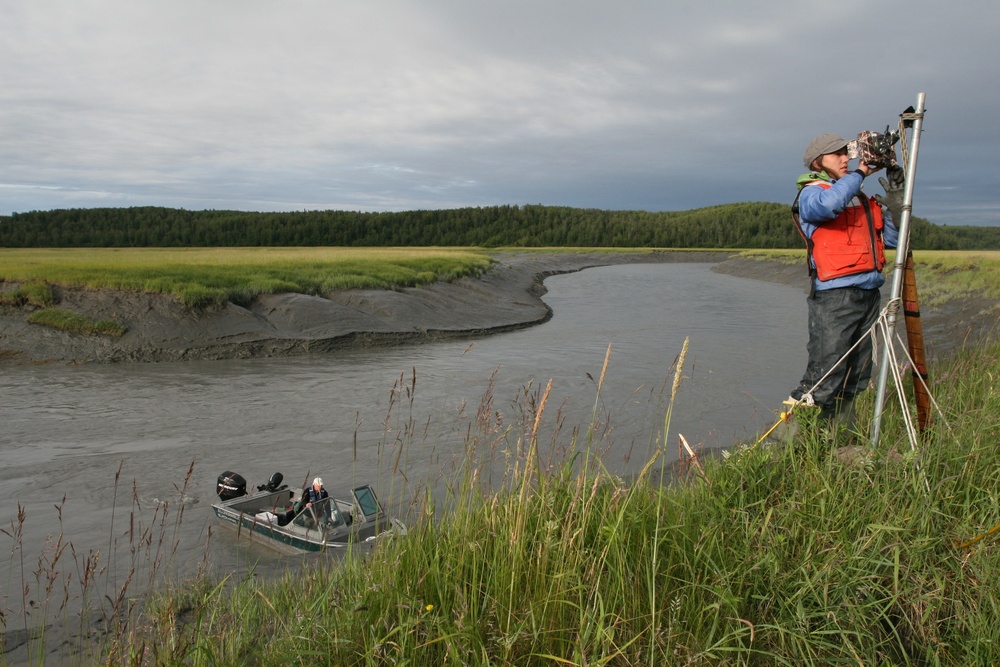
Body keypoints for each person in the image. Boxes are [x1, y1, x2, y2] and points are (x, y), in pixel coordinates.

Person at [788, 132, 903, 433]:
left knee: (858, 374)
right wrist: (862, 172)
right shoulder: (813, 193)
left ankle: (840, 441)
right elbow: (826, 207)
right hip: (834, 299)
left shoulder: (859, 198)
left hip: (868, 296)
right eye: (836, 154)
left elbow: (892, 240)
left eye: (845, 153)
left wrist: (896, 206)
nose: (845, 158)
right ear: (818, 163)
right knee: (824, 377)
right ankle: (795, 449)